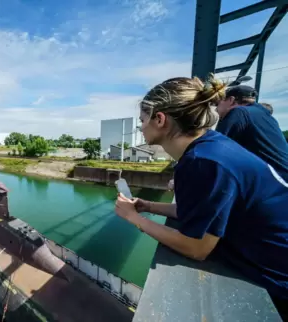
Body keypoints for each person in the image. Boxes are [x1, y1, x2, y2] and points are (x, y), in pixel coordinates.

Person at [114, 75, 288, 319]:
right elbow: (201, 209)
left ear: (160, 119)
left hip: (277, 276)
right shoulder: (209, 146)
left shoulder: (202, 162)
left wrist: (135, 219)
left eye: (143, 120)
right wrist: (147, 206)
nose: (140, 127)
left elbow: (197, 248)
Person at [216, 85, 288, 180]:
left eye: (218, 103)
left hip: (276, 181)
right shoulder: (265, 115)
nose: (216, 108)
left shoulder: (239, 112)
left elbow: (216, 145)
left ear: (231, 100)